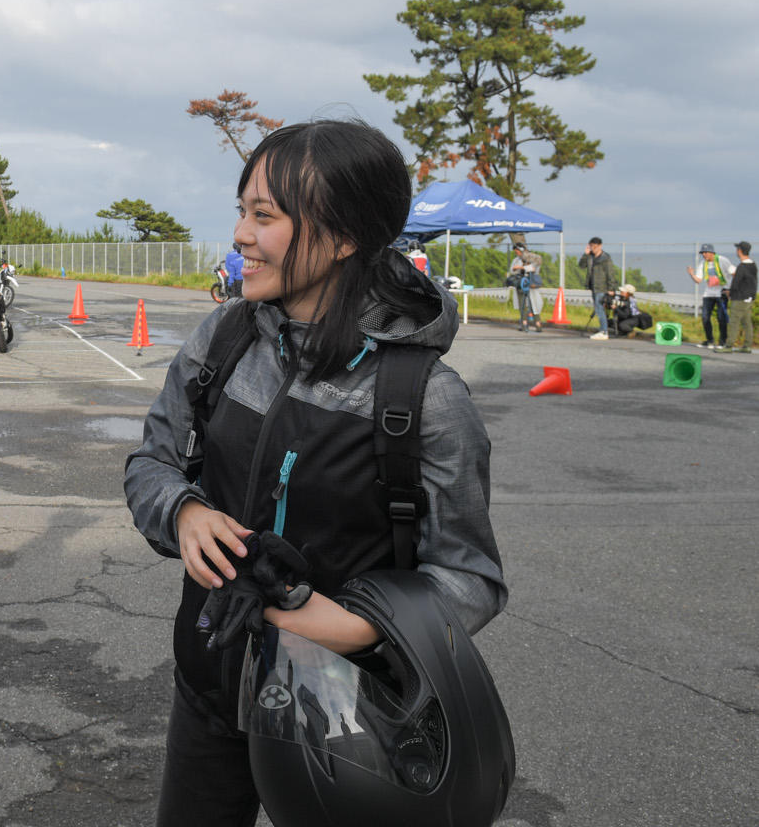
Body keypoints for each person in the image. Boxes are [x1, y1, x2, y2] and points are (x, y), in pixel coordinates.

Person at [124, 119, 506, 827]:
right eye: (242, 209)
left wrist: (362, 626)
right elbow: (150, 460)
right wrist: (183, 511)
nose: (239, 234)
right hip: (211, 685)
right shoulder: (225, 338)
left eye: (263, 216)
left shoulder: (427, 399)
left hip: (348, 722)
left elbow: (471, 576)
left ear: (344, 236)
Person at [686, 243, 736, 350]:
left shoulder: (723, 260)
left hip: (721, 293)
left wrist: (730, 289)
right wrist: (691, 274)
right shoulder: (703, 263)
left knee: (721, 318)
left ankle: (722, 342)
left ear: (712, 252)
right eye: (702, 253)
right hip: (708, 294)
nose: (704, 255)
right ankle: (710, 341)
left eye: (706, 252)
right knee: (705, 317)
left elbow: (734, 273)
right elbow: (698, 280)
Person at [578, 237, 618, 340]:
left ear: (600, 246)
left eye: (595, 247)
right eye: (591, 246)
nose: (593, 249)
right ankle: (603, 330)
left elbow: (610, 273)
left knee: (600, 309)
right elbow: (581, 265)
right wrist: (585, 254)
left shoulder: (605, 258)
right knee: (598, 308)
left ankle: (604, 331)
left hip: (602, 287)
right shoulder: (590, 256)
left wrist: (611, 288)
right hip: (593, 287)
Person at [507, 241, 544, 332]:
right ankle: (523, 323)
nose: (517, 253)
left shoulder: (532, 258)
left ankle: (537, 323)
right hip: (520, 283)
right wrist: (518, 269)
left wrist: (521, 268)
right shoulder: (516, 260)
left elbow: (534, 268)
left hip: (530, 283)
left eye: (518, 251)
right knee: (522, 304)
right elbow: (512, 270)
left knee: (533, 304)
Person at [729, 241, 755, 353]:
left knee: (734, 321)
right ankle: (747, 345)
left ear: (739, 251)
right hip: (748, 298)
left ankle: (728, 345)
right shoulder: (753, 265)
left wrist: (729, 293)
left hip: (739, 298)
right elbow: (751, 282)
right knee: (747, 322)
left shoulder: (742, 266)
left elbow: (736, 283)